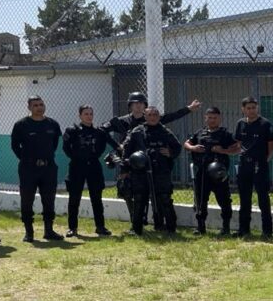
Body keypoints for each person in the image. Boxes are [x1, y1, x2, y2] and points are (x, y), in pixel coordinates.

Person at [103, 92, 199, 230]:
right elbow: (105, 131)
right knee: (135, 196)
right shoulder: (127, 124)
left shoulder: (162, 129)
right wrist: (118, 149)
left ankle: (165, 225)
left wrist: (170, 152)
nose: (138, 106)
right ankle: (136, 226)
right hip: (137, 166)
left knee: (163, 197)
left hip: (158, 167)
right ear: (131, 106)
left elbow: (175, 133)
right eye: (135, 103)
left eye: (141, 103)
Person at [120, 106, 182, 235]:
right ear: (145, 116)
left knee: (164, 198)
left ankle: (171, 228)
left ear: (159, 117)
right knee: (139, 199)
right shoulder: (137, 131)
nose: (153, 117)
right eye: (150, 115)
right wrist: (125, 170)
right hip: (140, 171)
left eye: (155, 115)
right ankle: (136, 229)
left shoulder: (165, 131)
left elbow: (177, 147)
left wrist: (170, 152)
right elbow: (126, 151)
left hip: (161, 170)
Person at [11, 96, 64, 242]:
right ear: (29, 107)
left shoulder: (52, 124)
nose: (39, 107)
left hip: (48, 168)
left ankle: (49, 230)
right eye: (35, 105)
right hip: (28, 169)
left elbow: (54, 144)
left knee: (49, 200)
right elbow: (15, 145)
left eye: (41, 104)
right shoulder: (21, 125)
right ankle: (29, 232)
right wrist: (26, 159)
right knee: (27, 200)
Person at [62, 105, 119, 237]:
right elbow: (66, 147)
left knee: (96, 198)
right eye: (86, 114)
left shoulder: (99, 132)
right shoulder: (72, 130)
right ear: (80, 116)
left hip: (93, 166)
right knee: (74, 198)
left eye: (91, 114)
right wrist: (76, 157)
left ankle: (100, 227)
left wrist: (120, 150)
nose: (89, 116)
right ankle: (72, 228)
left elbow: (114, 144)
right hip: (77, 166)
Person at [184, 106, 240, 236]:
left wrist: (223, 151)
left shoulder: (225, 134)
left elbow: (238, 148)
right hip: (202, 172)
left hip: (219, 173)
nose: (212, 120)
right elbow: (186, 143)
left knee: (224, 200)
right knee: (200, 200)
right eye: (210, 117)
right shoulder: (200, 133)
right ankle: (200, 227)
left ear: (219, 118)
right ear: (205, 118)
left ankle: (225, 228)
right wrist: (193, 148)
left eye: (215, 118)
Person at [234, 97, 273, 238]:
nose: (251, 110)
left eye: (254, 107)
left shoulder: (265, 124)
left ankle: (267, 231)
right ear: (243, 109)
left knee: (263, 198)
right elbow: (238, 143)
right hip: (244, 165)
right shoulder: (240, 123)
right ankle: (243, 230)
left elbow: (271, 146)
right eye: (248, 108)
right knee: (244, 198)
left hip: (260, 165)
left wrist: (264, 161)